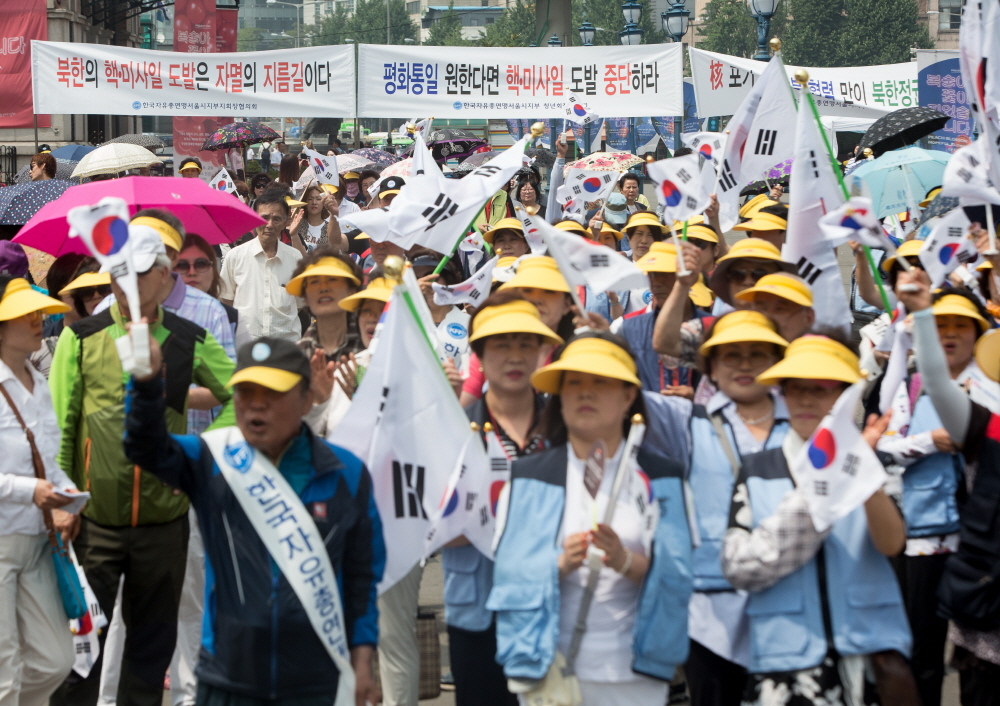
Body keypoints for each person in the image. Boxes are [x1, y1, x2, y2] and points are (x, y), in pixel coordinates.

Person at [123, 336, 384, 706]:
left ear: (307, 398)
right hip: (228, 680)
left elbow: (362, 578)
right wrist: (146, 381)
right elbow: (144, 447)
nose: (255, 405)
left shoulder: (347, 473)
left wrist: (362, 664)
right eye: (244, 392)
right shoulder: (212, 459)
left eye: (272, 392)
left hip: (316, 683)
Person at [49, 227, 236, 706]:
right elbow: (61, 426)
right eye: (115, 275)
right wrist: (64, 499)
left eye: (135, 275)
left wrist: (201, 456)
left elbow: (238, 394)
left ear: (162, 276)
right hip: (93, 523)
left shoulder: (185, 337)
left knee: (150, 656)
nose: (123, 285)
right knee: (79, 655)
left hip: (164, 522)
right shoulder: (82, 337)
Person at [490, 331, 692, 706]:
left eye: (600, 382)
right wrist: (558, 564)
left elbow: (680, 575)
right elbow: (507, 574)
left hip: (636, 674)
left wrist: (627, 561)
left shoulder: (663, 478)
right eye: (575, 382)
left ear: (628, 394)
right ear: (560, 396)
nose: (585, 392)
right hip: (550, 672)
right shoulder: (527, 478)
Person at [722, 334, 915, 706]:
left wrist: (858, 469)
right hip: (784, 658)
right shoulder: (758, 469)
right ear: (783, 394)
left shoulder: (874, 462)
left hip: (867, 653)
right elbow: (736, 566)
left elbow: (892, 543)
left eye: (822, 389)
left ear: (846, 396)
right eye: (796, 389)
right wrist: (825, 481)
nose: (807, 399)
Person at [875, 289, 992, 706]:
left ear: (978, 333)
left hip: (982, 550)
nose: (950, 334)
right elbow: (882, 448)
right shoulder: (912, 386)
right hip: (925, 540)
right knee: (920, 651)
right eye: (940, 324)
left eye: (961, 325)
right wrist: (928, 442)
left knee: (979, 656)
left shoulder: (992, 386)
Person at [446, 293, 562, 706]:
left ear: (542, 351)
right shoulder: (455, 430)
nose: (514, 356)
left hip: (552, 601)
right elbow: (428, 526)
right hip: (478, 611)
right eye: (501, 344)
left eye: (525, 343)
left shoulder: (566, 429)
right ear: (478, 353)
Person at [684, 311, 790, 706]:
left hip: (788, 606)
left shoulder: (803, 425)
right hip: (710, 609)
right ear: (711, 366)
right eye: (731, 355)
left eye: (757, 353)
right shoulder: (685, 425)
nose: (744, 364)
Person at [0, 276, 80, 706]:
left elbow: (51, 457)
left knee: (53, 659)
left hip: (40, 538)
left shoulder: (39, 381)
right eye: (25, 315)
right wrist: (30, 489)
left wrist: (67, 497)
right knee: (4, 669)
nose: (38, 321)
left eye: (39, 313)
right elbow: (35, 476)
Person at [289, 248, 365, 434]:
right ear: (305, 297)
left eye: (332, 279)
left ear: (352, 290)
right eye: (314, 282)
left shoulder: (372, 346)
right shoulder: (295, 358)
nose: (323, 288)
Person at [220, 189, 305, 348]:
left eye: (277, 219)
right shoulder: (235, 256)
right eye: (264, 217)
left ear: (286, 221)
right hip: (245, 346)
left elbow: (299, 303)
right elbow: (226, 300)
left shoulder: (295, 259)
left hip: (285, 347)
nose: (269, 225)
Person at [707, 238, 796, 316]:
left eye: (759, 274)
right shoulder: (708, 330)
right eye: (738, 274)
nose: (748, 281)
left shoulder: (795, 333)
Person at [175, 233, 238, 339]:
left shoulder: (231, 319)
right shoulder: (157, 317)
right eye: (182, 265)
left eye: (201, 264)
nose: (192, 272)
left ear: (213, 270)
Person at [734, 273, 817, 342]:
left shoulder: (822, 359)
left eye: (780, 309)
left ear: (809, 317)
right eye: (761, 309)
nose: (768, 317)